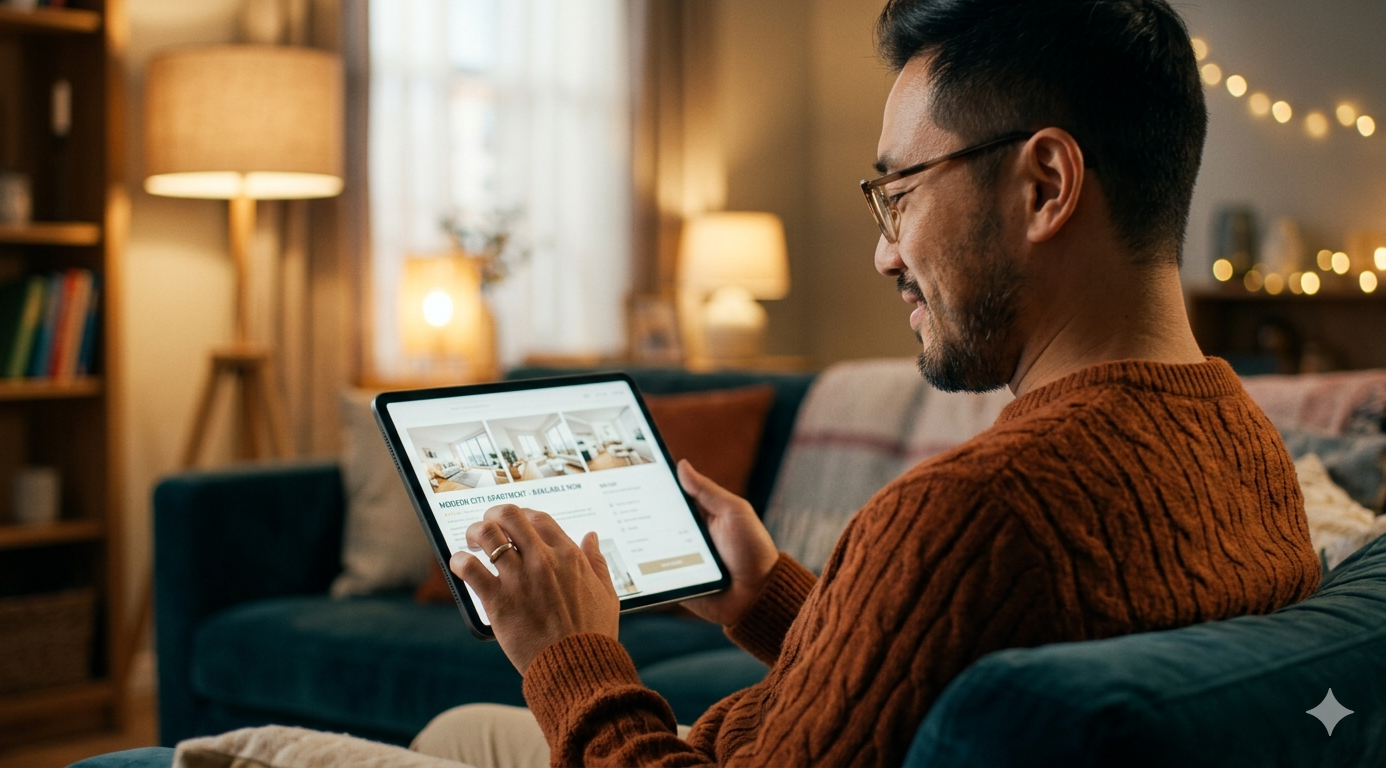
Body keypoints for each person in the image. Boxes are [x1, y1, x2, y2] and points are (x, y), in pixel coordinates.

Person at [416, 1, 1321, 765]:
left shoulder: (981, 510)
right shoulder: (1244, 441)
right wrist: (768, 595)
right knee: (464, 729)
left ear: (1045, 185)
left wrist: (570, 656)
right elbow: (955, 673)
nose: (885, 253)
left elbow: (976, 577)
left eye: (901, 191)